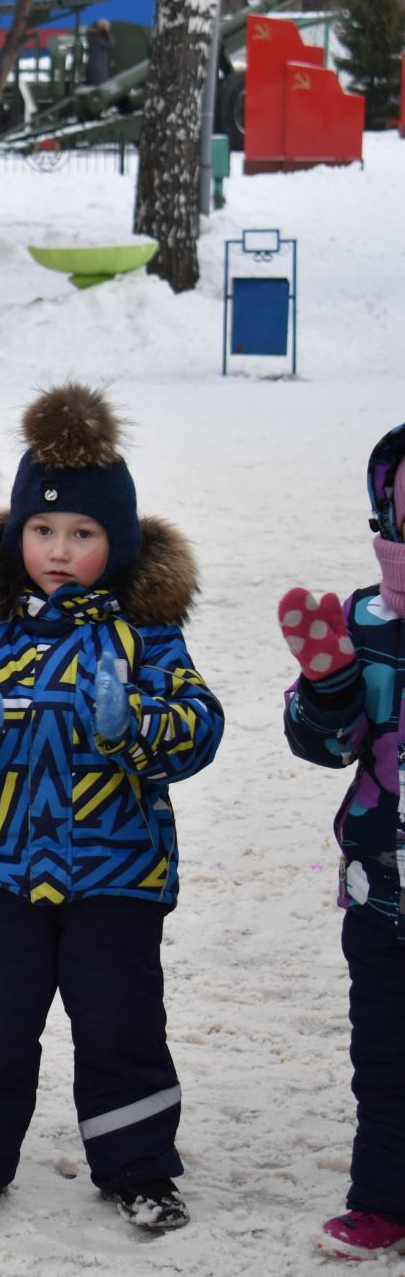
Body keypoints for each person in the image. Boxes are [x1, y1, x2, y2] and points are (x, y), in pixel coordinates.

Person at [0, 385, 224, 1230]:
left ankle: (138, 1167)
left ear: (113, 544)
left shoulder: (146, 637)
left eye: (82, 534)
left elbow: (197, 728)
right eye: (42, 531)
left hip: (118, 875)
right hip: (7, 873)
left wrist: (134, 724)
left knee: (121, 1029)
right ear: (16, 537)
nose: (58, 548)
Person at [280, 420, 405, 1261]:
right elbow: (323, 746)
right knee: (387, 1059)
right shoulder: (365, 622)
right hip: (384, 888)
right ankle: (383, 1198)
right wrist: (328, 688)